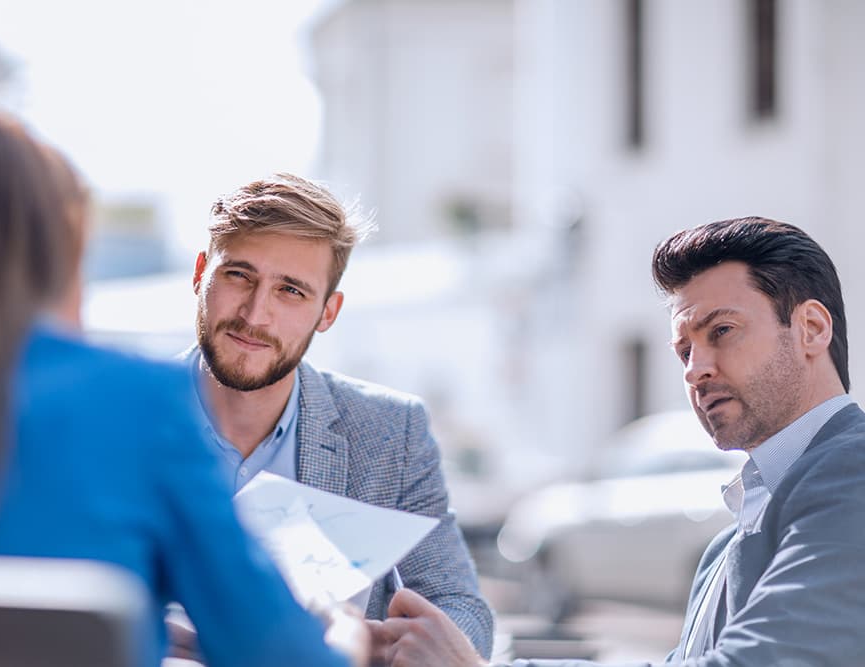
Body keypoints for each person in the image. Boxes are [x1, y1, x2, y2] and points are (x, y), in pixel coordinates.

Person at [0, 111, 366, 667]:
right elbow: (281, 656)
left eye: (290, 291)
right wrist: (346, 633)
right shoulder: (134, 406)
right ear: (55, 251)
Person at [370, 216, 865, 666]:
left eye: (722, 330)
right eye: (684, 350)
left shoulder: (853, 473)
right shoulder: (728, 540)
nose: (695, 369)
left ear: (811, 329)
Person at [181, 173, 494, 661]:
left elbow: (460, 606)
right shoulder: (115, 419)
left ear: (328, 312)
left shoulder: (391, 432)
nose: (255, 315)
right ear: (202, 273)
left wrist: (376, 646)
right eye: (239, 275)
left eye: (291, 291)